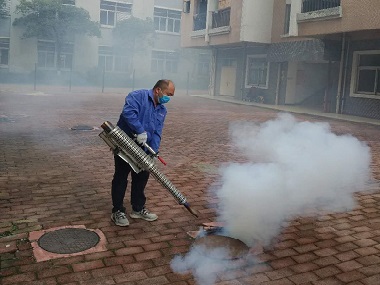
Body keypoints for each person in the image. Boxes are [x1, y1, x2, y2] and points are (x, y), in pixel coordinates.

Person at [111, 79, 175, 226]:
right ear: (158, 90)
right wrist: (140, 130)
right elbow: (128, 113)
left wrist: (153, 150)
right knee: (121, 177)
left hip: (144, 147)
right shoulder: (137, 96)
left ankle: (138, 209)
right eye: (168, 94)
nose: (168, 98)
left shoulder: (162, 110)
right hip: (125, 143)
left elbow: (158, 131)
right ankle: (117, 211)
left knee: (141, 177)